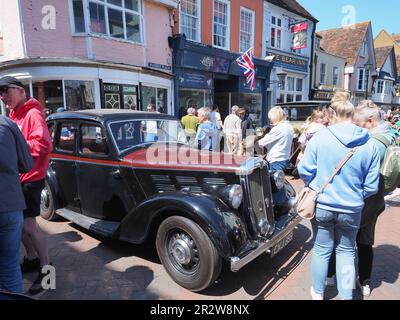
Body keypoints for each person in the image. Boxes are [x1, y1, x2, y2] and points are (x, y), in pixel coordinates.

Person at [297, 99, 381, 300]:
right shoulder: (369, 143)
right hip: (351, 208)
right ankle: (345, 296)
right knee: (346, 251)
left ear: (332, 115)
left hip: (324, 204)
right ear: (352, 115)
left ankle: (317, 292)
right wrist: (353, 196)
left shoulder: (320, 138)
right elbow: (371, 187)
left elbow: (304, 170)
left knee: (321, 248)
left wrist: (317, 186)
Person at [326, 100, 396, 297]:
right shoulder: (389, 135)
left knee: (343, 242)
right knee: (365, 240)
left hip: (361, 200)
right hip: (375, 202)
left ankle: (335, 277)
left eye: (358, 123)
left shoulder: (373, 143)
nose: (355, 127)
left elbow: (360, 175)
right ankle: (364, 280)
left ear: (370, 121)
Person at [0, 76, 53, 295]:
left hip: (31, 178)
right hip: (19, 180)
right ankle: (32, 259)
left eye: (6, 91)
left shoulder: (32, 113)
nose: (3, 97)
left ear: (21, 91)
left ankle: (48, 274)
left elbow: (44, 143)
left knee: (30, 226)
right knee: (20, 225)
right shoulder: (14, 115)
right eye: (0, 93)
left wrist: (15, 148)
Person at [0, 114, 34, 294]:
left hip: (10, 205)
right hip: (9, 203)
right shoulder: (6, 124)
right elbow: (27, 163)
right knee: (10, 264)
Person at [257, 106, 294, 171]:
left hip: (276, 160)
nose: (270, 120)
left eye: (270, 118)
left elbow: (261, 142)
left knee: (273, 180)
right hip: (284, 158)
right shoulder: (289, 126)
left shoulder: (278, 128)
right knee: (279, 179)